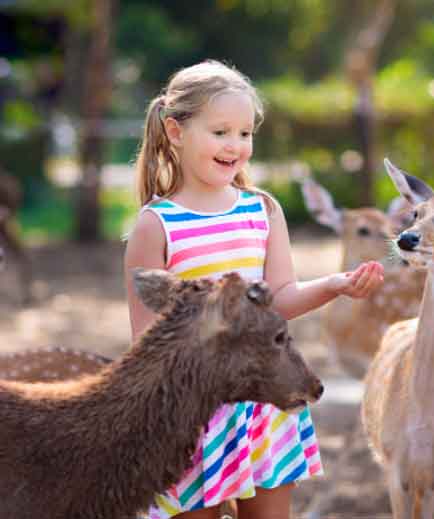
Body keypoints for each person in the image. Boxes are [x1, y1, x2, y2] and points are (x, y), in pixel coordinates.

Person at [124, 60, 384, 519]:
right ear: (175, 131)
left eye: (245, 134)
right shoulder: (156, 224)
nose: (235, 146)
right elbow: (147, 342)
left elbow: (280, 298)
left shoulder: (262, 210)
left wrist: (334, 285)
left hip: (263, 403)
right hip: (190, 409)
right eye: (221, 132)